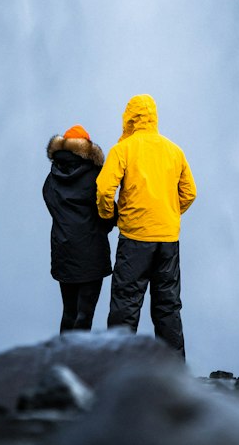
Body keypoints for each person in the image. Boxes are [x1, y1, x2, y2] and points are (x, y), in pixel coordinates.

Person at [96, 94, 196, 357]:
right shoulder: (174, 150)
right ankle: (174, 377)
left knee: (126, 306)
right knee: (168, 307)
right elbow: (189, 193)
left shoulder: (124, 149)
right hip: (168, 240)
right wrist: (169, 213)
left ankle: (119, 371)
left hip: (135, 239)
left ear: (128, 119)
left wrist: (111, 216)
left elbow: (105, 189)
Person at [42, 124, 115, 332]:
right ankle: (79, 362)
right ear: (87, 147)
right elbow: (109, 211)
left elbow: (50, 203)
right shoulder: (96, 176)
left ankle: (63, 358)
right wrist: (102, 228)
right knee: (85, 313)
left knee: (68, 311)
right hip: (91, 253)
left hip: (63, 251)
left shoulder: (52, 177)